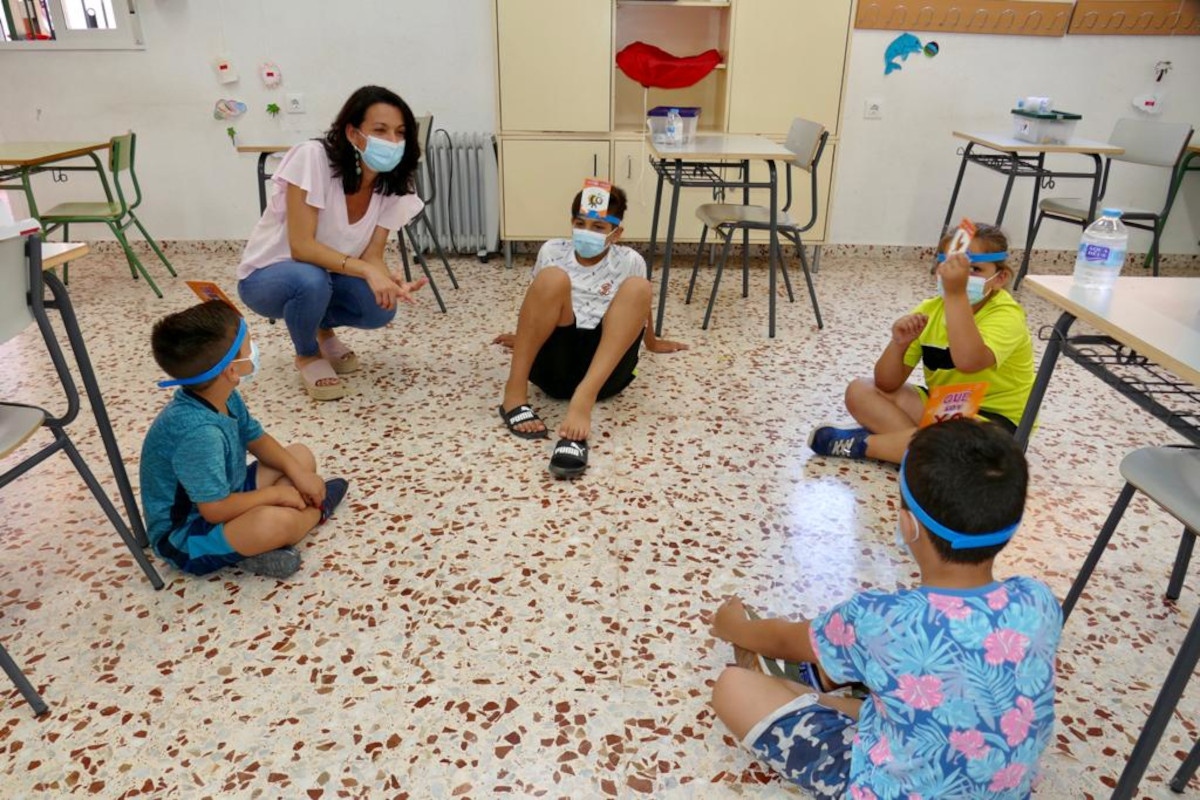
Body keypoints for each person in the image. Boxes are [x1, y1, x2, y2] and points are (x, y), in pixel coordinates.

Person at [709, 419, 1062, 799]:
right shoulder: (1039, 600)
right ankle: (843, 695)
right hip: (1002, 790)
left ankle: (820, 693)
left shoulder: (881, 618)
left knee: (733, 687)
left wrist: (733, 627)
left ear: (908, 524)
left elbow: (785, 639)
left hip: (891, 787)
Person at [237, 85, 428, 401]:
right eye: (380, 130)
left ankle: (321, 328)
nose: (392, 142)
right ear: (353, 133)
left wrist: (385, 279)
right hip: (268, 277)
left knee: (380, 307)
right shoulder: (312, 157)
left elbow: (373, 254)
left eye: (400, 132)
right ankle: (308, 354)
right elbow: (301, 247)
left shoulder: (393, 183)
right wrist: (367, 271)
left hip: (325, 277)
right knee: (310, 279)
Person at [140, 301, 349, 579]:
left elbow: (256, 438)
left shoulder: (221, 393)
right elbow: (214, 510)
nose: (255, 352)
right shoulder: (198, 433)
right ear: (231, 371)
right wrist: (276, 494)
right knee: (276, 522)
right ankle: (314, 513)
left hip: (228, 492)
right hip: (187, 536)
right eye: (249, 347)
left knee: (300, 456)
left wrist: (298, 474)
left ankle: (253, 545)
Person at [493, 185, 687, 477]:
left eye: (598, 226)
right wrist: (524, 339)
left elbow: (640, 307)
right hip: (554, 367)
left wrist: (652, 341)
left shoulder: (629, 260)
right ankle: (514, 393)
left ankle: (582, 401)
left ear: (616, 233)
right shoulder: (552, 251)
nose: (587, 231)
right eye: (580, 223)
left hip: (605, 373)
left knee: (639, 287)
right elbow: (536, 301)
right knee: (552, 279)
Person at [808, 225, 1034, 464]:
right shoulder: (930, 310)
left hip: (997, 423)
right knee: (859, 391)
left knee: (966, 445)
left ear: (1000, 278)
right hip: (945, 409)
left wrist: (956, 294)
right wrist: (899, 344)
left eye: (974, 269)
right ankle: (917, 454)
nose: (960, 278)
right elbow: (886, 383)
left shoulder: (1007, 315)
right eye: (952, 268)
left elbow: (968, 361)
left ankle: (871, 445)